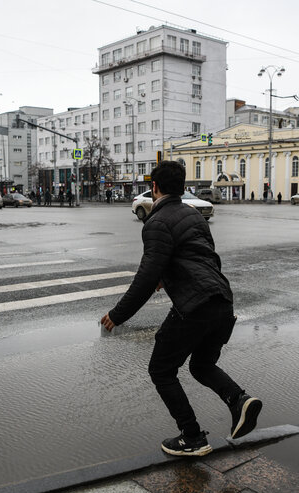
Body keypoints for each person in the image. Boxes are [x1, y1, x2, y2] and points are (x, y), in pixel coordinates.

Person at [100, 161, 262, 457]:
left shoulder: (157, 222)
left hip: (195, 305)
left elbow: (146, 277)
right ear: (182, 186)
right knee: (201, 366)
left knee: (161, 370)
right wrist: (169, 276)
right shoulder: (194, 215)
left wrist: (117, 314)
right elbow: (207, 259)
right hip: (222, 300)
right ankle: (239, 400)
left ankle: (192, 436)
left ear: (155, 188)